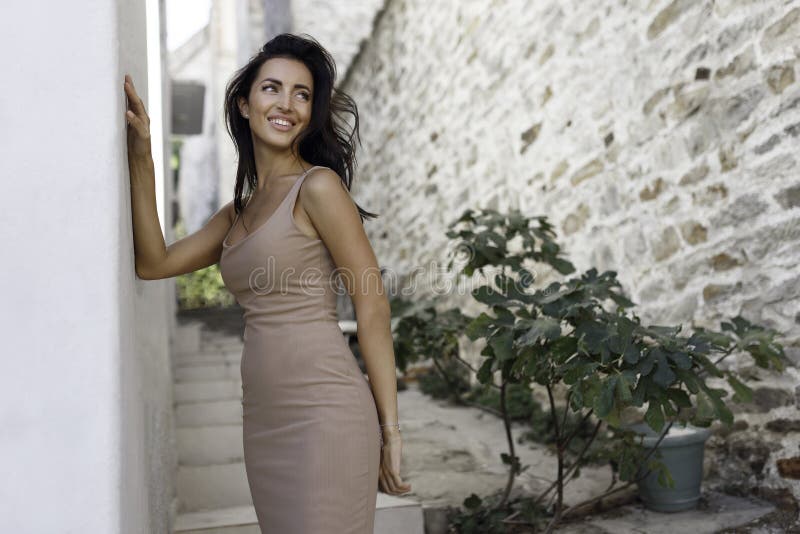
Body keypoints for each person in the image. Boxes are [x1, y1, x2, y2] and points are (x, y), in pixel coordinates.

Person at [125, 32, 411, 533]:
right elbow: (153, 262)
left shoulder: (319, 187)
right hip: (263, 421)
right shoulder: (236, 214)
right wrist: (143, 156)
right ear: (244, 103)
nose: (287, 104)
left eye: (302, 94)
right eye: (272, 88)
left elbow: (372, 308)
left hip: (328, 414)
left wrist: (390, 428)